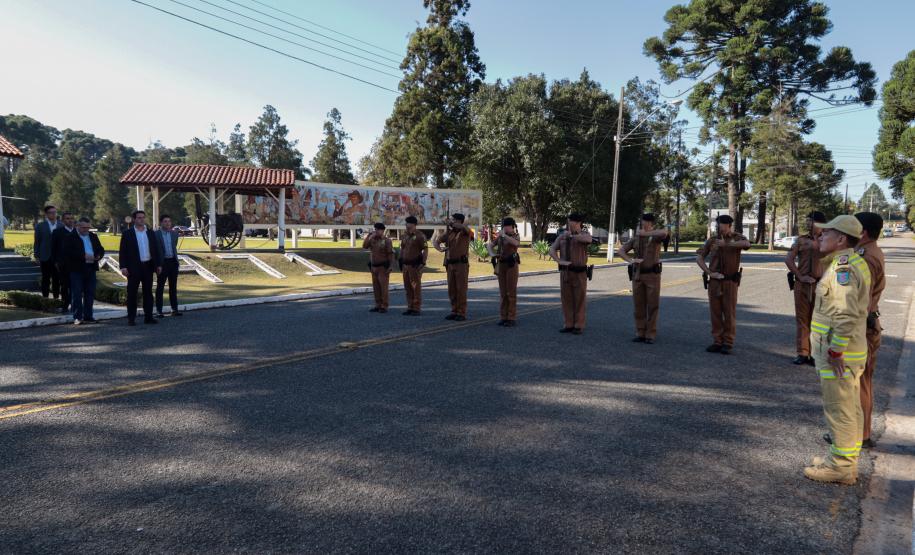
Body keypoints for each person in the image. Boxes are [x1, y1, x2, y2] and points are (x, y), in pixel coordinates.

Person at [804, 215, 870, 485]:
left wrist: (835, 352)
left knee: (839, 408)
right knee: (850, 407)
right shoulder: (852, 262)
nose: (819, 237)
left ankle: (841, 467)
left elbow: (844, 314)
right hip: (850, 351)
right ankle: (845, 459)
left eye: (825, 233)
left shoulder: (843, 269)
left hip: (839, 354)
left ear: (841, 239)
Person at [854, 212, 886, 450]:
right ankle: (860, 432)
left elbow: (859, 298)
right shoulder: (870, 251)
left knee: (859, 382)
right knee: (862, 381)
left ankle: (861, 434)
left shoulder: (865, 257)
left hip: (862, 327)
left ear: (863, 232)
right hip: (868, 324)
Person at [696, 214, 751, 354]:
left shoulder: (737, 237)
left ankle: (728, 342)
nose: (719, 227)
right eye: (718, 225)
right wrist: (709, 272)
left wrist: (728, 244)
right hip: (715, 281)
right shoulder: (712, 240)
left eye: (722, 225)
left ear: (729, 225)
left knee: (729, 313)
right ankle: (717, 341)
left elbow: (747, 245)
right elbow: (699, 257)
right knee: (715, 313)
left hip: (730, 281)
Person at [618, 213, 669, 344]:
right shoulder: (636, 238)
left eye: (646, 223)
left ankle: (650, 334)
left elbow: (665, 232)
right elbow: (621, 251)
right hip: (638, 275)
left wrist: (646, 234)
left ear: (651, 224)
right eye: (642, 222)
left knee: (653, 305)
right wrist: (631, 260)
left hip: (652, 274)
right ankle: (640, 332)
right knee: (638, 305)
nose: (643, 225)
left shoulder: (655, 236)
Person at [785, 211, 827, 365]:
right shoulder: (801, 240)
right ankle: (802, 352)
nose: (808, 224)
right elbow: (788, 259)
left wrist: (818, 245)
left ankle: (816, 354)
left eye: (812, 221)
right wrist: (800, 276)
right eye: (808, 221)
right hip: (802, 284)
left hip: (821, 285)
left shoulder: (828, 239)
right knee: (802, 320)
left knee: (819, 321)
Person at [549, 213, 592, 335]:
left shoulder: (584, 234)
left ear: (578, 223)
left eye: (571, 221)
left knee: (579, 299)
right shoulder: (562, 236)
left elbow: (588, 240)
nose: (568, 223)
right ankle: (568, 324)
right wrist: (558, 260)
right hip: (565, 272)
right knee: (566, 299)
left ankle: (578, 325)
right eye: (568, 221)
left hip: (579, 272)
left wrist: (573, 236)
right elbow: (552, 249)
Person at [119, 210, 162, 326]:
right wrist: (123, 267)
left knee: (148, 293)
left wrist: (158, 265)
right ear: (134, 219)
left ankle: (148, 317)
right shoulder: (127, 233)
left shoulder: (150, 233)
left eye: (143, 217)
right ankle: (131, 318)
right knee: (132, 293)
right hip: (134, 268)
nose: (141, 220)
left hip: (148, 266)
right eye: (139, 218)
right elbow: (122, 251)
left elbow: (156, 250)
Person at [63, 217, 104, 325]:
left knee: (90, 293)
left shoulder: (93, 236)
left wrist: (99, 255)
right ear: (77, 226)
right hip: (77, 269)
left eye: (88, 227)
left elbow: (100, 248)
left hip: (91, 268)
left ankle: (88, 316)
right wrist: (83, 256)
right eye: (84, 227)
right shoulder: (70, 237)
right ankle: (77, 317)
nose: (86, 230)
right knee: (76, 294)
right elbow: (67, 253)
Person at [434, 213, 472, 321]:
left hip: (461, 264)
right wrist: (440, 249)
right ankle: (454, 310)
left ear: (459, 221)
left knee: (461, 289)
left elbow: (464, 228)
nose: (452, 221)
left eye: (454, 220)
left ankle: (461, 312)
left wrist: (451, 223)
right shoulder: (449, 233)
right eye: (451, 220)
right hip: (450, 264)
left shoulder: (465, 231)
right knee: (452, 289)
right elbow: (436, 241)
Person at [486, 217, 521, 327]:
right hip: (501, 264)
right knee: (503, 292)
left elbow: (516, 243)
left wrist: (504, 235)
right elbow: (489, 245)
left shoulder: (515, 235)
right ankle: (503, 316)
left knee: (511, 292)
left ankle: (511, 317)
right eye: (504, 226)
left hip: (511, 265)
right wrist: (491, 254)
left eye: (507, 226)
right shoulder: (500, 238)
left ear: (512, 227)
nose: (505, 228)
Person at [363, 222, 395, 313]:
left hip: (383, 267)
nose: (376, 231)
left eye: (378, 229)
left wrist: (390, 266)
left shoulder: (387, 241)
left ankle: (384, 306)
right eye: (375, 229)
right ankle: (377, 304)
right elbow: (364, 246)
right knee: (376, 287)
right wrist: (369, 237)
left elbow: (391, 254)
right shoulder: (372, 239)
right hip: (374, 267)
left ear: (382, 231)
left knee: (383, 288)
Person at [399, 216, 428, 316]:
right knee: (407, 288)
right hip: (406, 265)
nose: (406, 225)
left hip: (415, 265)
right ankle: (410, 307)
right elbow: (402, 248)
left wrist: (423, 263)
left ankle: (416, 308)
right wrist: (400, 259)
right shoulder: (405, 235)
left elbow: (425, 249)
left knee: (415, 287)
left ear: (413, 224)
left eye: (407, 223)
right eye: (406, 223)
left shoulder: (420, 235)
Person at [155, 214, 182, 318]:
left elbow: (174, 247)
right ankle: (159, 311)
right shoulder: (156, 234)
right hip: (162, 264)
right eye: (165, 221)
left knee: (173, 287)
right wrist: (157, 264)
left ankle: (174, 309)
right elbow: (155, 251)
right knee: (160, 287)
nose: (167, 223)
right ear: (161, 223)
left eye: (169, 221)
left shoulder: (174, 234)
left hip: (173, 263)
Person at [51, 211, 77, 313]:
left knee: (75, 285)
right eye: (67, 218)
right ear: (63, 220)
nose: (70, 220)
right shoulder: (57, 232)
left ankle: (75, 304)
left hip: (76, 264)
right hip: (63, 265)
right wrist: (56, 262)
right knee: (65, 286)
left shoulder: (77, 231)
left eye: (71, 218)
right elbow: (53, 249)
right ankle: (65, 304)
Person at [33, 205, 61, 301]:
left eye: (55, 212)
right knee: (46, 279)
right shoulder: (40, 226)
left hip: (58, 257)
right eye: (51, 212)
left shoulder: (61, 225)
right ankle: (45, 299)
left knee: (56, 279)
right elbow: (37, 241)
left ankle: (56, 299)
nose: (53, 214)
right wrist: (36, 255)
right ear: (46, 214)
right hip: (45, 256)